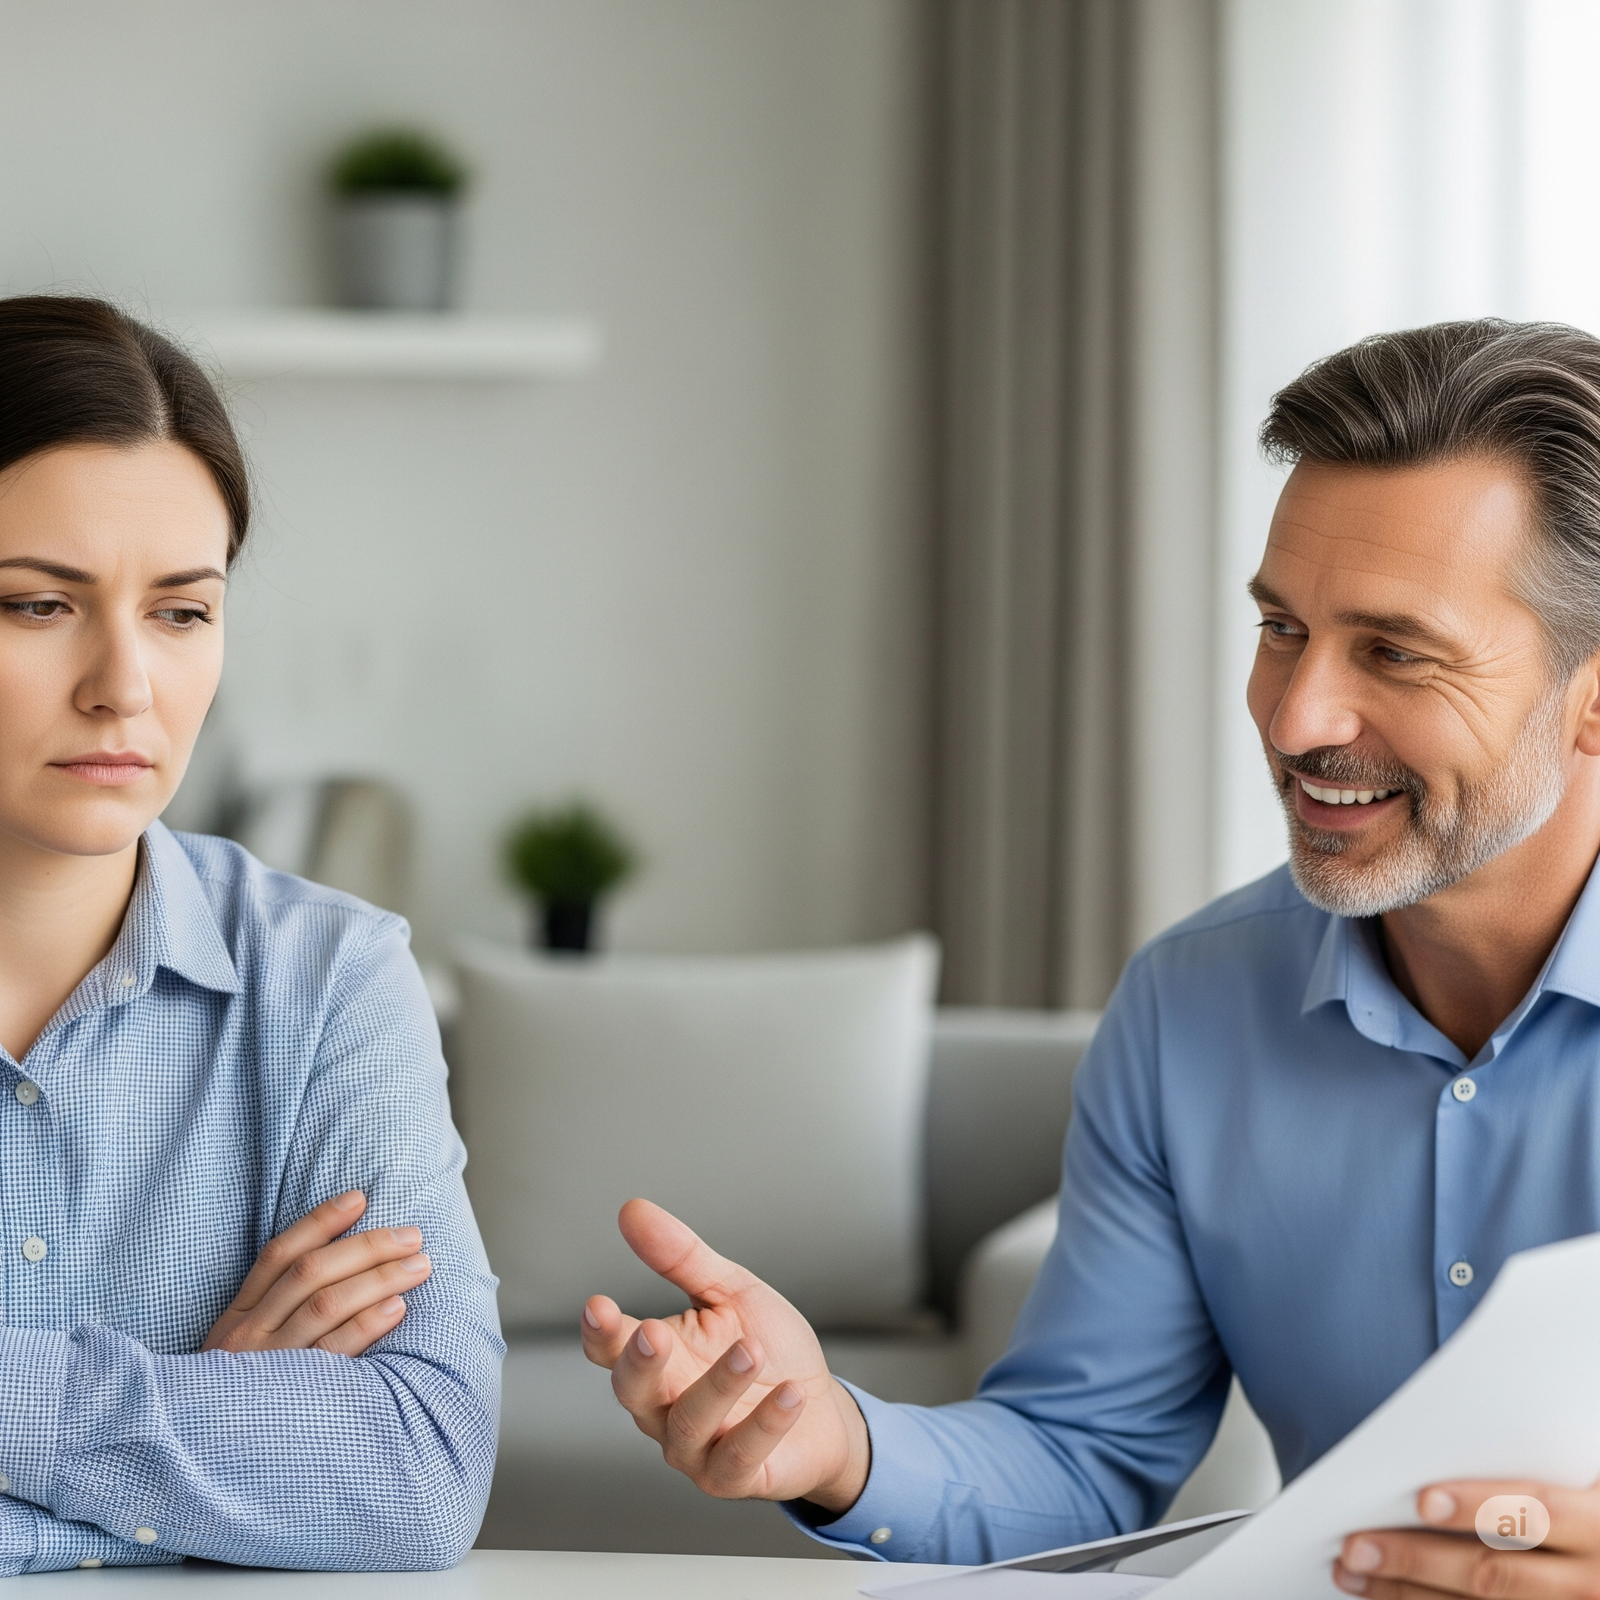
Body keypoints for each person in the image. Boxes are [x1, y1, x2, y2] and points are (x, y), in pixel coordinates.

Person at [584, 317, 1600, 1598]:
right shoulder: (1192, 1003)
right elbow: (1081, 1456)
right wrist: (836, 1442)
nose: (1295, 717)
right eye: (1281, 627)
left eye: (1393, 651)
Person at [0, 295, 501, 1572]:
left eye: (180, 611)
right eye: (38, 605)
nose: (124, 686)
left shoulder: (332, 978)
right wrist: (208, 1433)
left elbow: (420, 1473)